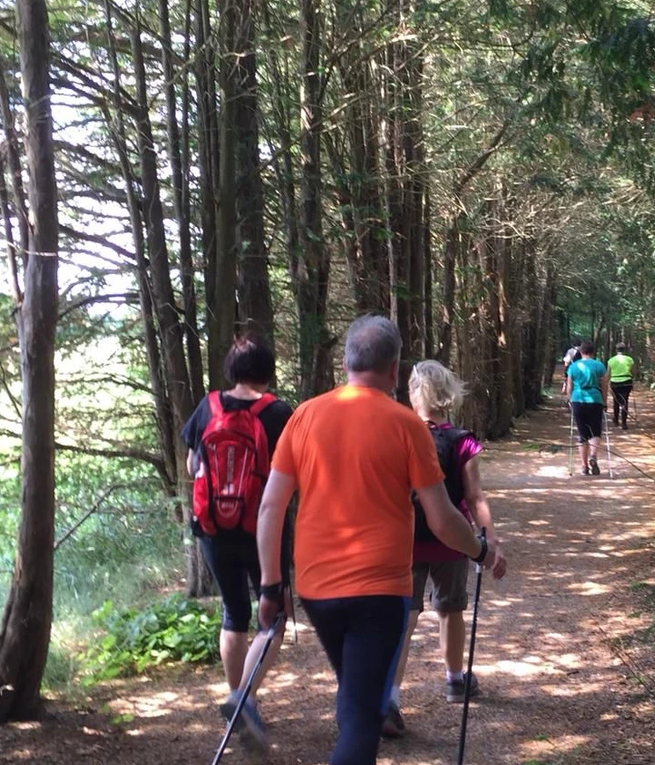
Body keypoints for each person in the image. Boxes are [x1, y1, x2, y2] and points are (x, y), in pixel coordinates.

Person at [254, 315, 500, 765]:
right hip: (379, 590)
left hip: (317, 590)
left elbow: (271, 507)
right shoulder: (406, 426)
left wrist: (271, 586)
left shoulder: (304, 416)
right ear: (393, 370)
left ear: (347, 362)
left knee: (357, 700)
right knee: (362, 718)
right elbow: (442, 518)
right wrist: (481, 550)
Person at [179, 335, 295, 753]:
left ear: (232, 369)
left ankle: (241, 698)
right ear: (267, 369)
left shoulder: (207, 406)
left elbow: (193, 464)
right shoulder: (278, 413)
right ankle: (244, 699)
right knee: (274, 615)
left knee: (234, 611)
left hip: (212, 529)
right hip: (262, 528)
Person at [382, 360, 508, 738]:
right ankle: (455, 680)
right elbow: (474, 496)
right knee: (451, 610)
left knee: (404, 619)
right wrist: (488, 541)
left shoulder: (396, 434)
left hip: (404, 541)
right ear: (447, 393)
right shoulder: (462, 440)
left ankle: (390, 698)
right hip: (452, 541)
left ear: (412, 394)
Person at [565, 340, 608, 475]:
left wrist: (569, 399)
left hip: (578, 399)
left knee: (582, 434)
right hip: (595, 399)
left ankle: (584, 467)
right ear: (593, 352)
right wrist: (605, 401)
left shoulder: (574, 366)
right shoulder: (599, 365)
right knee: (595, 431)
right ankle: (593, 456)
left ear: (581, 352)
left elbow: (569, 385)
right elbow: (605, 385)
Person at [608, 342, 635, 429]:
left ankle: (616, 420)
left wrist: (607, 383)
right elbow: (633, 371)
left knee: (616, 401)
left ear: (616, 350)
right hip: (627, 381)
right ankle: (624, 423)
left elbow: (608, 373)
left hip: (615, 382)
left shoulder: (611, 360)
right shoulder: (629, 359)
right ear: (624, 350)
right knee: (625, 401)